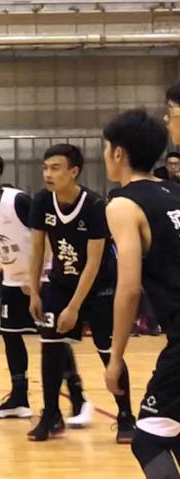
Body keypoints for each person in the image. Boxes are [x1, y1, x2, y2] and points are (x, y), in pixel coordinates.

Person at [27, 143, 135, 442]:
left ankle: (126, 416)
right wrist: (34, 291)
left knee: (108, 351)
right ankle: (51, 415)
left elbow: (94, 261)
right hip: (59, 283)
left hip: (98, 286)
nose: (48, 174)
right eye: (45, 168)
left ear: (74, 171)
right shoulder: (42, 201)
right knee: (50, 346)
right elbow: (37, 249)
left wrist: (74, 307)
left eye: (55, 168)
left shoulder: (95, 205)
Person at [102, 107, 180, 477]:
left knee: (147, 439)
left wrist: (116, 357)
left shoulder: (123, 204)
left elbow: (129, 287)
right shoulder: (176, 192)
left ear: (118, 153)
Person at [0, 148, 67, 420]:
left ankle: (78, 396)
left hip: (44, 277)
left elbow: (46, 237)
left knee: (52, 339)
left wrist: (35, 281)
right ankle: (19, 398)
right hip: (12, 279)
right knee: (10, 334)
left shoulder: (18, 201)